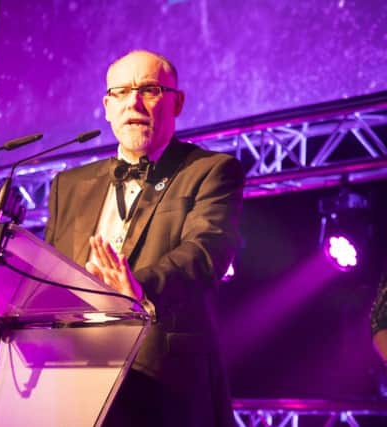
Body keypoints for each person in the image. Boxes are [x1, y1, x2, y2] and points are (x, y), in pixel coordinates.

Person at [44, 50, 244, 426]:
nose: (133, 102)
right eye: (120, 92)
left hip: (162, 382)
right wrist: (5, 302)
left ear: (177, 102)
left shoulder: (211, 170)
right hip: (75, 378)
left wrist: (138, 287)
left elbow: (206, 250)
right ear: (106, 106)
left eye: (149, 90)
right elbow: (49, 273)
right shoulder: (68, 185)